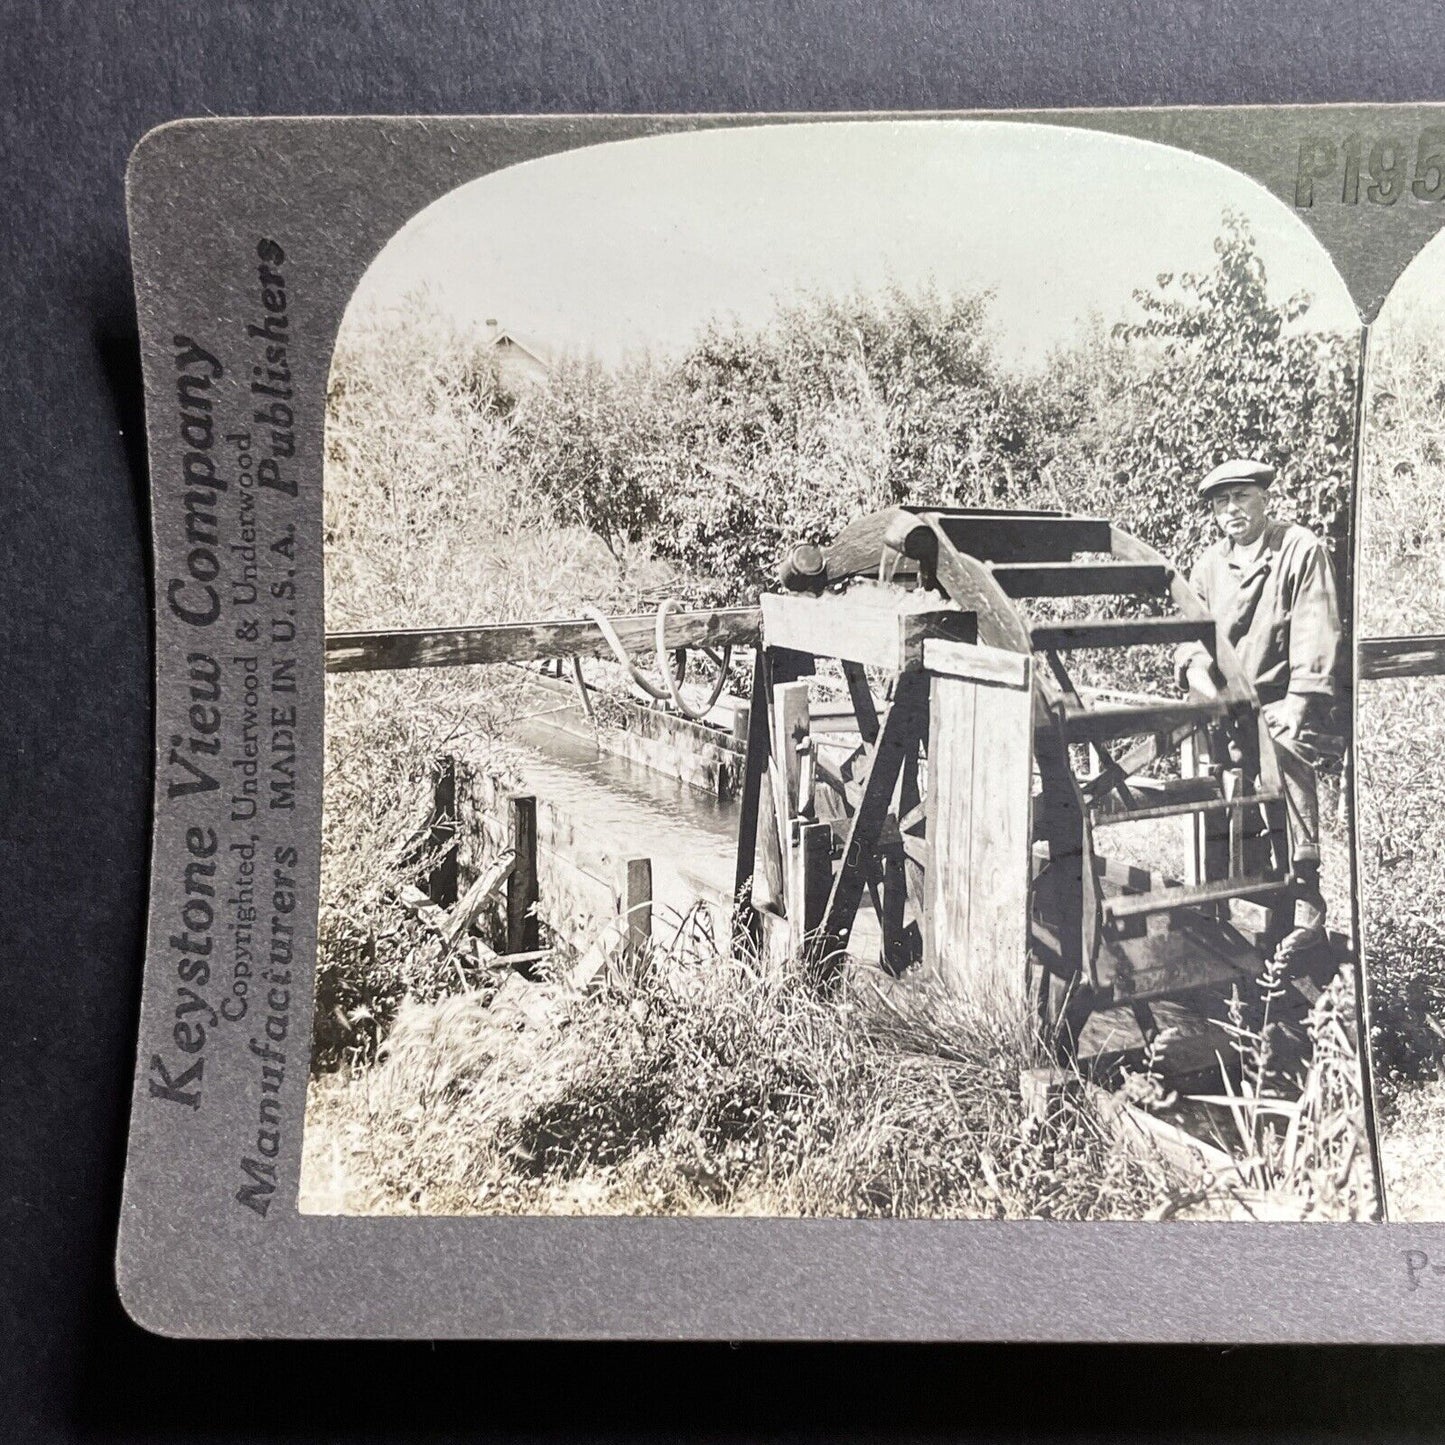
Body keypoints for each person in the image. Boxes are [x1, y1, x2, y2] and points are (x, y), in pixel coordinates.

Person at [1173, 457, 1342, 964]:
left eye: (1242, 497)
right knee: (1221, 790)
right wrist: (1200, 680)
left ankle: (1305, 895)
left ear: (1264, 498)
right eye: (1221, 502)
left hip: (1282, 701)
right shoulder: (1206, 566)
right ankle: (1232, 905)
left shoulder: (1299, 549)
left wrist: (1297, 701)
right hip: (1228, 708)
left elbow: (1317, 626)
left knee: (1284, 751)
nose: (1232, 509)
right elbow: (1189, 637)